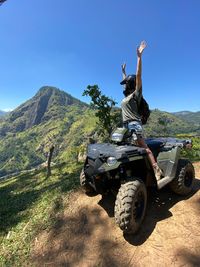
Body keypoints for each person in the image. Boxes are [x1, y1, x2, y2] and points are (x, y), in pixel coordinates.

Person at [120, 40, 163, 181]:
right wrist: (123, 72)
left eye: (126, 83)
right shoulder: (127, 97)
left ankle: (156, 169)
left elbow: (138, 76)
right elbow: (127, 81)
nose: (124, 86)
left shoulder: (136, 95)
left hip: (134, 124)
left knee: (143, 147)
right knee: (127, 148)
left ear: (131, 85)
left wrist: (139, 57)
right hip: (125, 126)